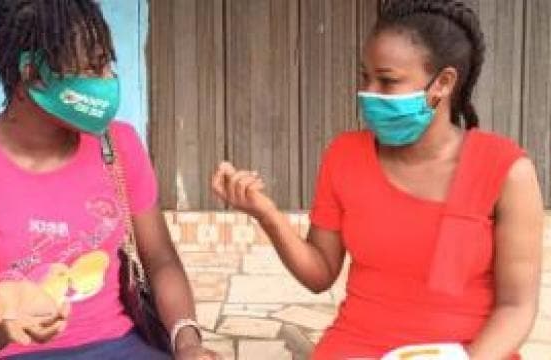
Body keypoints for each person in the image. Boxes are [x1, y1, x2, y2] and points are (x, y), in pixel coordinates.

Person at [212, 0, 544, 359]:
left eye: (387, 80)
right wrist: (267, 215)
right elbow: (320, 273)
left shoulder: (506, 171)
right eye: (365, 77)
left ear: (443, 83)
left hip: (469, 351)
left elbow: (516, 307)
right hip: (357, 345)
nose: (370, 93)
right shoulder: (345, 156)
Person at [0, 1, 218, 359]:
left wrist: (187, 342)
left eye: (107, 63)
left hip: (116, 345)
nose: (107, 82)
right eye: (91, 69)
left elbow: (161, 259)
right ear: (33, 73)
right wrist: (1, 319)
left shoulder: (119, 146)